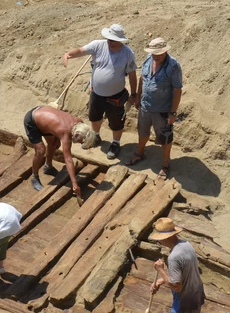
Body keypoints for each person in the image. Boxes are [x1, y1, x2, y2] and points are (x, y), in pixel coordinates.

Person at [62, 23, 138, 160]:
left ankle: (115, 144)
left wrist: (133, 94)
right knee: (95, 117)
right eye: (110, 39)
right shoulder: (98, 45)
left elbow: (132, 75)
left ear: (121, 40)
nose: (111, 43)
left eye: (114, 41)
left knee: (116, 122)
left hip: (116, 95)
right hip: (97, 93)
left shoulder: (128, 53)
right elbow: (81, 50)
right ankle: (96, 136)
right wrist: (69, 54)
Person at [149, 218, 206, 313]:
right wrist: (161, 281)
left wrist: (160, 270)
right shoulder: (186, 245)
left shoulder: (174, 256)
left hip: (183, 303)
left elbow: (177, 286)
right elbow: (183, 273)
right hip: (196, 298)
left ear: (164, 238)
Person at [131, 37, 183, 180]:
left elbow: (177, 90)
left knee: (165, 138)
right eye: (154, 53)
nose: (156, 56)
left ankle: (165, 165)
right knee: (143, 132)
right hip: (145, 106)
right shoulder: (148, 59)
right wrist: (138, 96)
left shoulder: (173, 66)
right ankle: (139, 153)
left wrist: (173, 113)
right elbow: (143, 78)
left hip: (162, 110)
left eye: (159, 53)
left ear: (165, 51)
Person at [21, 105, 96, 196]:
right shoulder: (66, 133)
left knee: (53, 144)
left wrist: (57, 137)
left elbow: (58, 124)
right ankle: (34, 176)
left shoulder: (80, 123)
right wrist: (74, 183)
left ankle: (48, 167)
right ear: (76, 135)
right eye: (80, 142)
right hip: (32, 120)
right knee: (40, 150)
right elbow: (68, 159)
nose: (80, 144)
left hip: (43, 115)